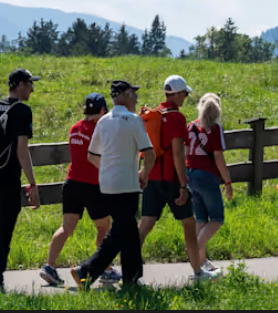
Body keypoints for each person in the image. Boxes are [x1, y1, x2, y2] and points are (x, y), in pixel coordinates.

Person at [70, 81, 154, 292]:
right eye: (133, 93)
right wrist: (143, 174)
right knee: (120, 232)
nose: (136, 98)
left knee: (127, 230)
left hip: (106, 186)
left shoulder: (103, 121)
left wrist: (107, 169)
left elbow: (91, 155)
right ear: (124, 95)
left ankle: (132, 278)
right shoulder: (134, 120)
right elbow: (150, 154)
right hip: (127, 184)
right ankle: (86, 272)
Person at [0, 69, 41, 298]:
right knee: (5, 231)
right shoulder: (22, 111)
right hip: (8, 176)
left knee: (2, 227)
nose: (33, 88)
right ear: (20, 85)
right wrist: (33, 183)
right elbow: (23, 151)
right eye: (31, 84)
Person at [41, 94, 118, 289]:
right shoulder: (100, 130)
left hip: (71, 183)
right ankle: (106, 270)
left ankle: (49, 266)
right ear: (102, 111)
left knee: (66, 228)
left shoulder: (75, 128)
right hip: (92, 185)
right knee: (103, 228)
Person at [135, 76, 208, 282]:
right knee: (189, 224)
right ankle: (198, 272)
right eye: (184, 93)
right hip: (171, 180)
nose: (185, 97)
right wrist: (183, 185)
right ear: (175, 94)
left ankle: (129, 269)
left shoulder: (155, 114)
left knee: (145, 225)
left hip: (152, 178)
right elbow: (178, 153)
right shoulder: (176, 117)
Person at [186, 93, 235, 277]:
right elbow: (218, 156)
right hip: (207, 176)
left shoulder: (190, 126)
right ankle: (194, 249)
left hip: (189, 174)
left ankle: (201, 261)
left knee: (201, 219)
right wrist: (228, 181)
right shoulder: (215, 129)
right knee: (216, 218)